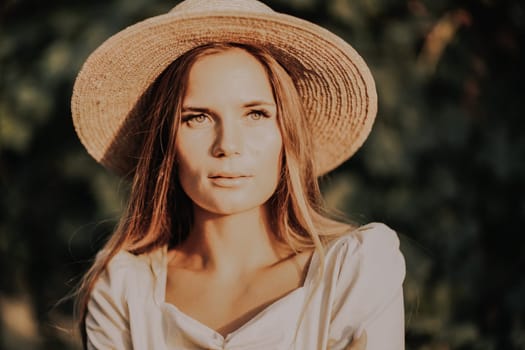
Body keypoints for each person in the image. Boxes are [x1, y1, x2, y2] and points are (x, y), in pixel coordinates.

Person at [71, 0, 405, 349]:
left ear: (287, 133)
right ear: (165, 142)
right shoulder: (122, 289)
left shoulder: (355, 269)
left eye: (256, 114)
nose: (228, 145)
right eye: (197, 117)